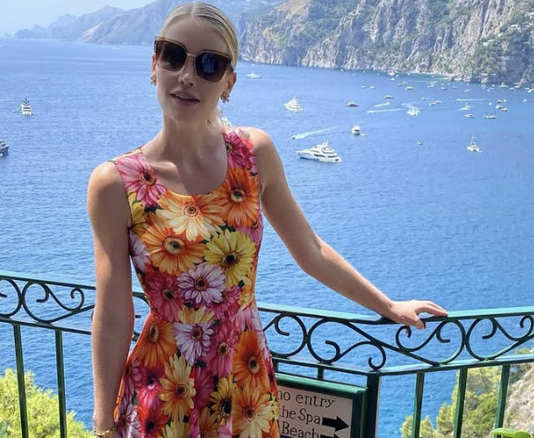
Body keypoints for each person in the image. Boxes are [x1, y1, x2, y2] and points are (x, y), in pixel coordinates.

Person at [86, 3, 448, 438]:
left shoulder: (253, 155)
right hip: (163, 388)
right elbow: (111, 314)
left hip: (245, 381)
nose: (187, 75)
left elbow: (310, 250)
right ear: (154, 66)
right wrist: (103, 421)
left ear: (228, 83)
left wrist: (388, 306)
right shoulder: (115, 184)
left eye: (209, 64)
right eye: (174, 55)